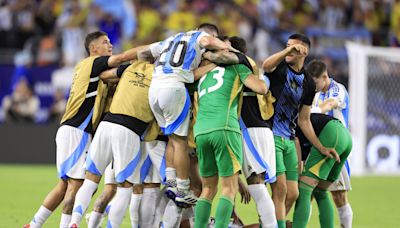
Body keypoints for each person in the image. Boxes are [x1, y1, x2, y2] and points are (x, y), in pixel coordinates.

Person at [25, 31, 145, 228]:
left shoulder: (88, 69)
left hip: (72, 129)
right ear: (94, 48)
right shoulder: (93, 62)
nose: (110, 46)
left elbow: (110, 77)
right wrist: (151, 50)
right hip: (76, 131)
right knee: (77, 184)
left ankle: (34, 224)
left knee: (65, 185)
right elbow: (123, 58)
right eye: (105, 43)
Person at [138, 23, 235, 207]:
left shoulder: (171, 39)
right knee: (180, 142)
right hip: (174, 88)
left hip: (155, 88)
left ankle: (172, 180)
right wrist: (225, 47)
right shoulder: (199, 37)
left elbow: (143, 53)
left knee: (172, 138)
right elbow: (207, 40)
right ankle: (182, 189)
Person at [67, 60, 156, 228]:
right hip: (129, 130)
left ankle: (74, 222)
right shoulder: (159, 74)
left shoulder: (128, 68)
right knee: (125, 188)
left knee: (90, 181)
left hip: (106, 125)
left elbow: (104, 76)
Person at [262, 33, 337, 228]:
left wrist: (320, 147)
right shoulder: (279, 68)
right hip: (272, 137)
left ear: (305, 51)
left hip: (288, 140)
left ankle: (268, 223)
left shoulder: (308, 83)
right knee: (279, 190)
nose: (290, 50)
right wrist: (287, 50)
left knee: (293, 193)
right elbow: (265, 66)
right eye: (288, 46)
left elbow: (304, 119)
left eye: (295, 47)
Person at [203, 36, 277, 228]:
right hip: (263, 129)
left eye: (224, 46)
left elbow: (260, 88)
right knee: (252, 183)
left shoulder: (239, 63)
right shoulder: (250, 63)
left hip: (248, 129)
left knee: (257, 186)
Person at [307, 59, 353, 228]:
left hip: (336, 147)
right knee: (308, 192)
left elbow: (329, 105)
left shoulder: (337, 89)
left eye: (315, 82)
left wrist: (312, 111)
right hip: (318, 148)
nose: (313, 86)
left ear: (324, 76)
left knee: (339, 197)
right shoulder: (315, 93)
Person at [293, 113, 351, 228]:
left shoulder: (287, 125)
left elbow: (296, 143)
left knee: (304, 189)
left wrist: (297, 175)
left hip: (331, 134)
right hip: (345, 137)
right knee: (320, 191)